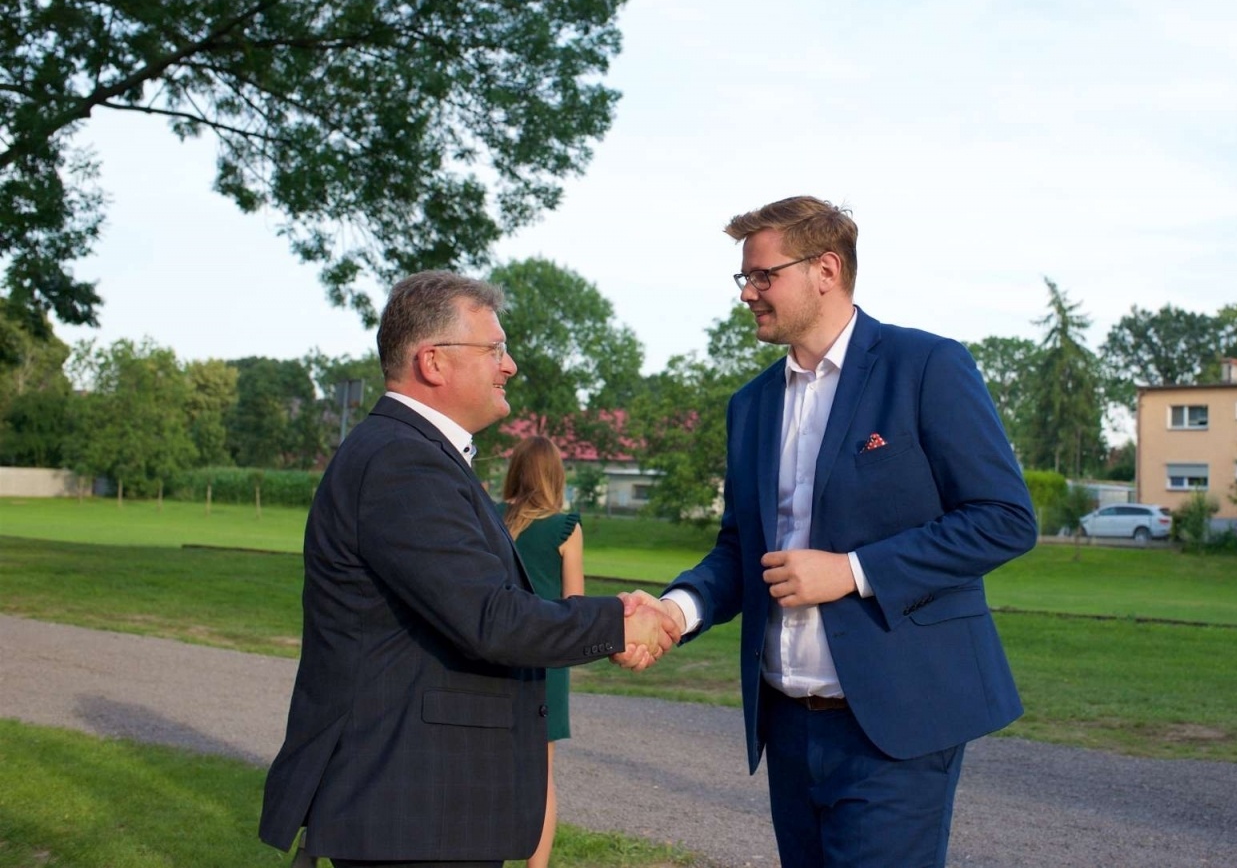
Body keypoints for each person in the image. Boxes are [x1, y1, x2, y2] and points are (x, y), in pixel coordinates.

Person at [633, 196, 1037, 868]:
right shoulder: (752, 404)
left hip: (895, 723)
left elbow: (1004, 518)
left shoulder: (926, 366)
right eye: (744, 278)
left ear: (825, 269)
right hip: (787, 723)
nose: (748, 293)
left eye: (763, 276)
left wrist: (851, 570)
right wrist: (676, 610)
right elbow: (742, 547)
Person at [259, 271, 674, 868]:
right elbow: (489, 617)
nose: (509, 366)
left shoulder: (419, 455)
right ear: (433, 361)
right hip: (409, 806)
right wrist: (619, 621)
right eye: (495, 349)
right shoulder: (403, 462)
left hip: (427, 806)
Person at [501, 435, 585, 868]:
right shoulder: (565, 527)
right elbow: (576, 606)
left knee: (490, 767)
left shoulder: (490, 518)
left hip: (494, 655)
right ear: (555, 475)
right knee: (541, 776)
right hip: (547, 662)